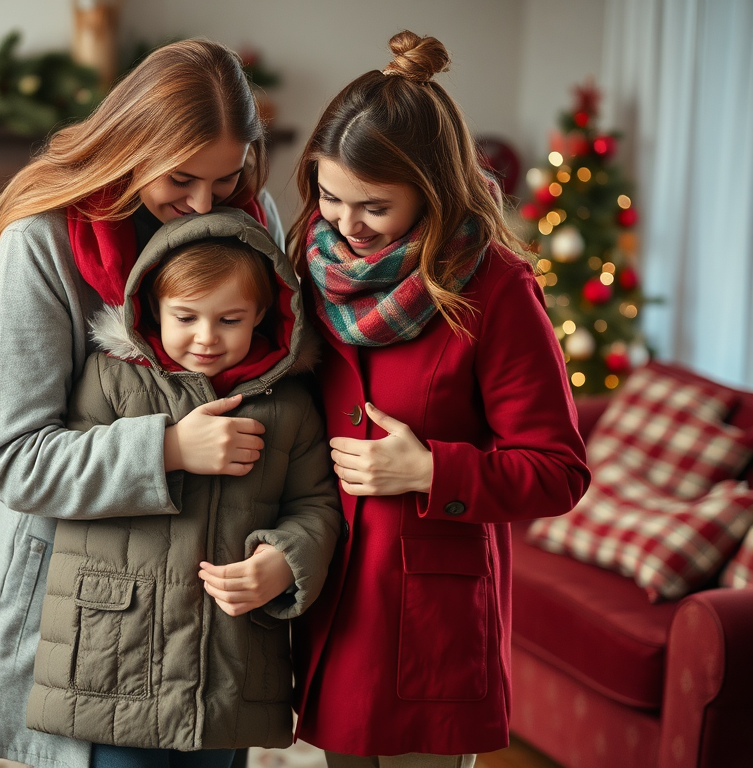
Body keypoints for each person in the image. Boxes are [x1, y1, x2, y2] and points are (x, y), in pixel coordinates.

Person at [0, 40, 293, 768]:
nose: (204, 204)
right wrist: (169, 448)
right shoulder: (42, 241)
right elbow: (17, 464)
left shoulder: (251, 216)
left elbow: (277, 386)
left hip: (216, 623)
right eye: (181, 178)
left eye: (227, 176)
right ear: (132, 142)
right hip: (87, 622)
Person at [286, 31, 592, 768]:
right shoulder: (308, 259)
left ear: (432, 190)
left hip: (431, 621)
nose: (345, 225)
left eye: (374, 207)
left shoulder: (495, 285)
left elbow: (559, 470)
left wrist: (430, 471)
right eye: (329, 195)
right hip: (333, 601)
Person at [25, 208, 340, 764]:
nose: (206, 338)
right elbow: (68, 475)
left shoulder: (288, 404)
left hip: (228, 662)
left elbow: (316, 503)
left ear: (263, 315)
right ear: (151, 308)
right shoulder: (109, 380)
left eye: (230, 320)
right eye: (186, 316)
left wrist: (286, 561)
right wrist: (165, 448)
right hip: (115, 655)